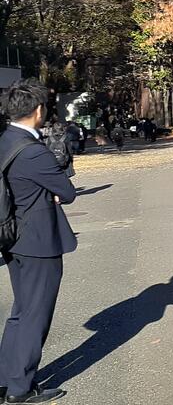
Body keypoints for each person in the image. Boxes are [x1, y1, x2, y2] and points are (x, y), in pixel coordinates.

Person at [0, 79, 76, 403]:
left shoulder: (5, 140)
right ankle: (21, 388)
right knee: (35, 315)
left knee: (21, 311)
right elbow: (67, 191)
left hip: (11, 235)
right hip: (38, 241)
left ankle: (6, 379)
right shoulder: (33, 152)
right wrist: (50, 192)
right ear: (39, 110)